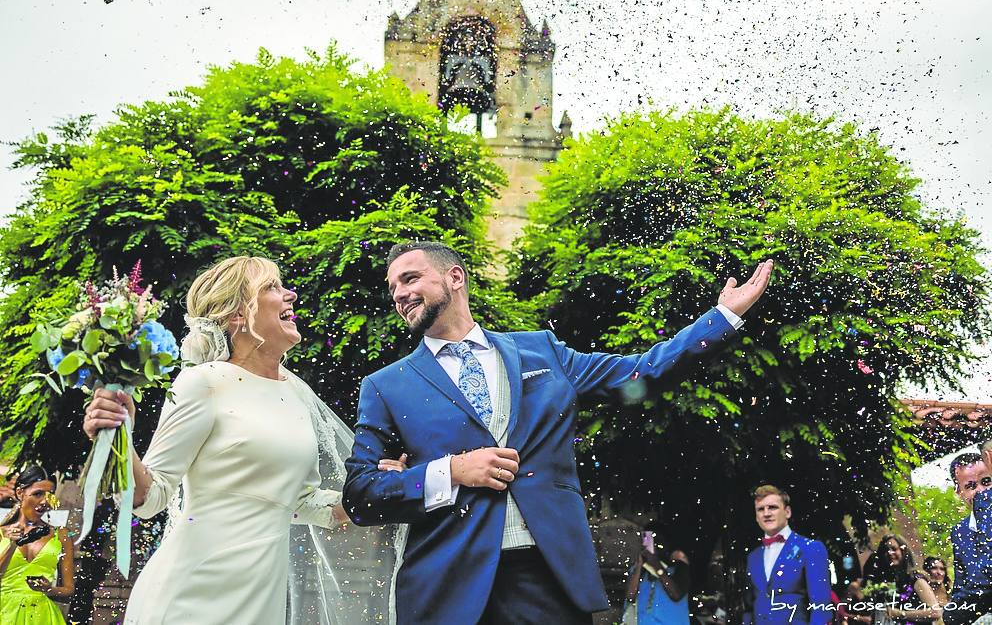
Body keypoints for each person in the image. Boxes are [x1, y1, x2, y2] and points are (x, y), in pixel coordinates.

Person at [343, 241, 773, 624]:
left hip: (547, 574)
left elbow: (641, 373)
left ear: (454, 277)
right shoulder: (386, 385)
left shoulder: (542, 352)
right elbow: (361, 494)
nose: (399, 294)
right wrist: (450, 472)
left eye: (410, 278)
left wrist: (722, 317)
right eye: (393, 287)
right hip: (445, 583)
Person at [83, 256, 405, 625]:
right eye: (272, 287)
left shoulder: (296, 393)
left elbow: (306, 504)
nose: (290, 294)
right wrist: (117, 439)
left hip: (260, 599)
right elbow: (150, 497)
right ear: (238, 314)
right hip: (192, 593)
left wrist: (382, 489)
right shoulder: (204, 382)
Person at [742, 484, 831, 625]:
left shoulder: (811, 549)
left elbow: (821, 607)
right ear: (756, 517)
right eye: (760, 509)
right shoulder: (753, 557)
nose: (766, 513)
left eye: (772, 507)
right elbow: (749, 609)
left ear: (787, 512)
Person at [0, 466, 74, 624]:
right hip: (5, 613)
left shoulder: (61, 535)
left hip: (42, 616)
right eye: (38, 494)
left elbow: (68, 589)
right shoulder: (1, 533)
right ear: (20, 493)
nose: (45, 501)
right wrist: (13, 545)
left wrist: (49, 589)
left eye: (50, 495)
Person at [944, 451, 992, 625]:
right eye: (971, 486)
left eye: (986, 482)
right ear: (959, 492)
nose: (980, 490)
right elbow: (962, 582)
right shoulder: (959, 531)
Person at [868, 534, 942, 623]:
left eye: (894, 549)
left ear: (904, 551)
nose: (890, 553)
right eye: (886, 550)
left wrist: (901, 614)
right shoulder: (884, 583)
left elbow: (935, 612)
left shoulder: (916, 580)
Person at [623, 530, 691, 624]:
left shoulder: (678, 569)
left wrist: (656, 565)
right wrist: (639, 565)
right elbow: (630, 596)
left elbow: (676, 594)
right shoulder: (640, 570)